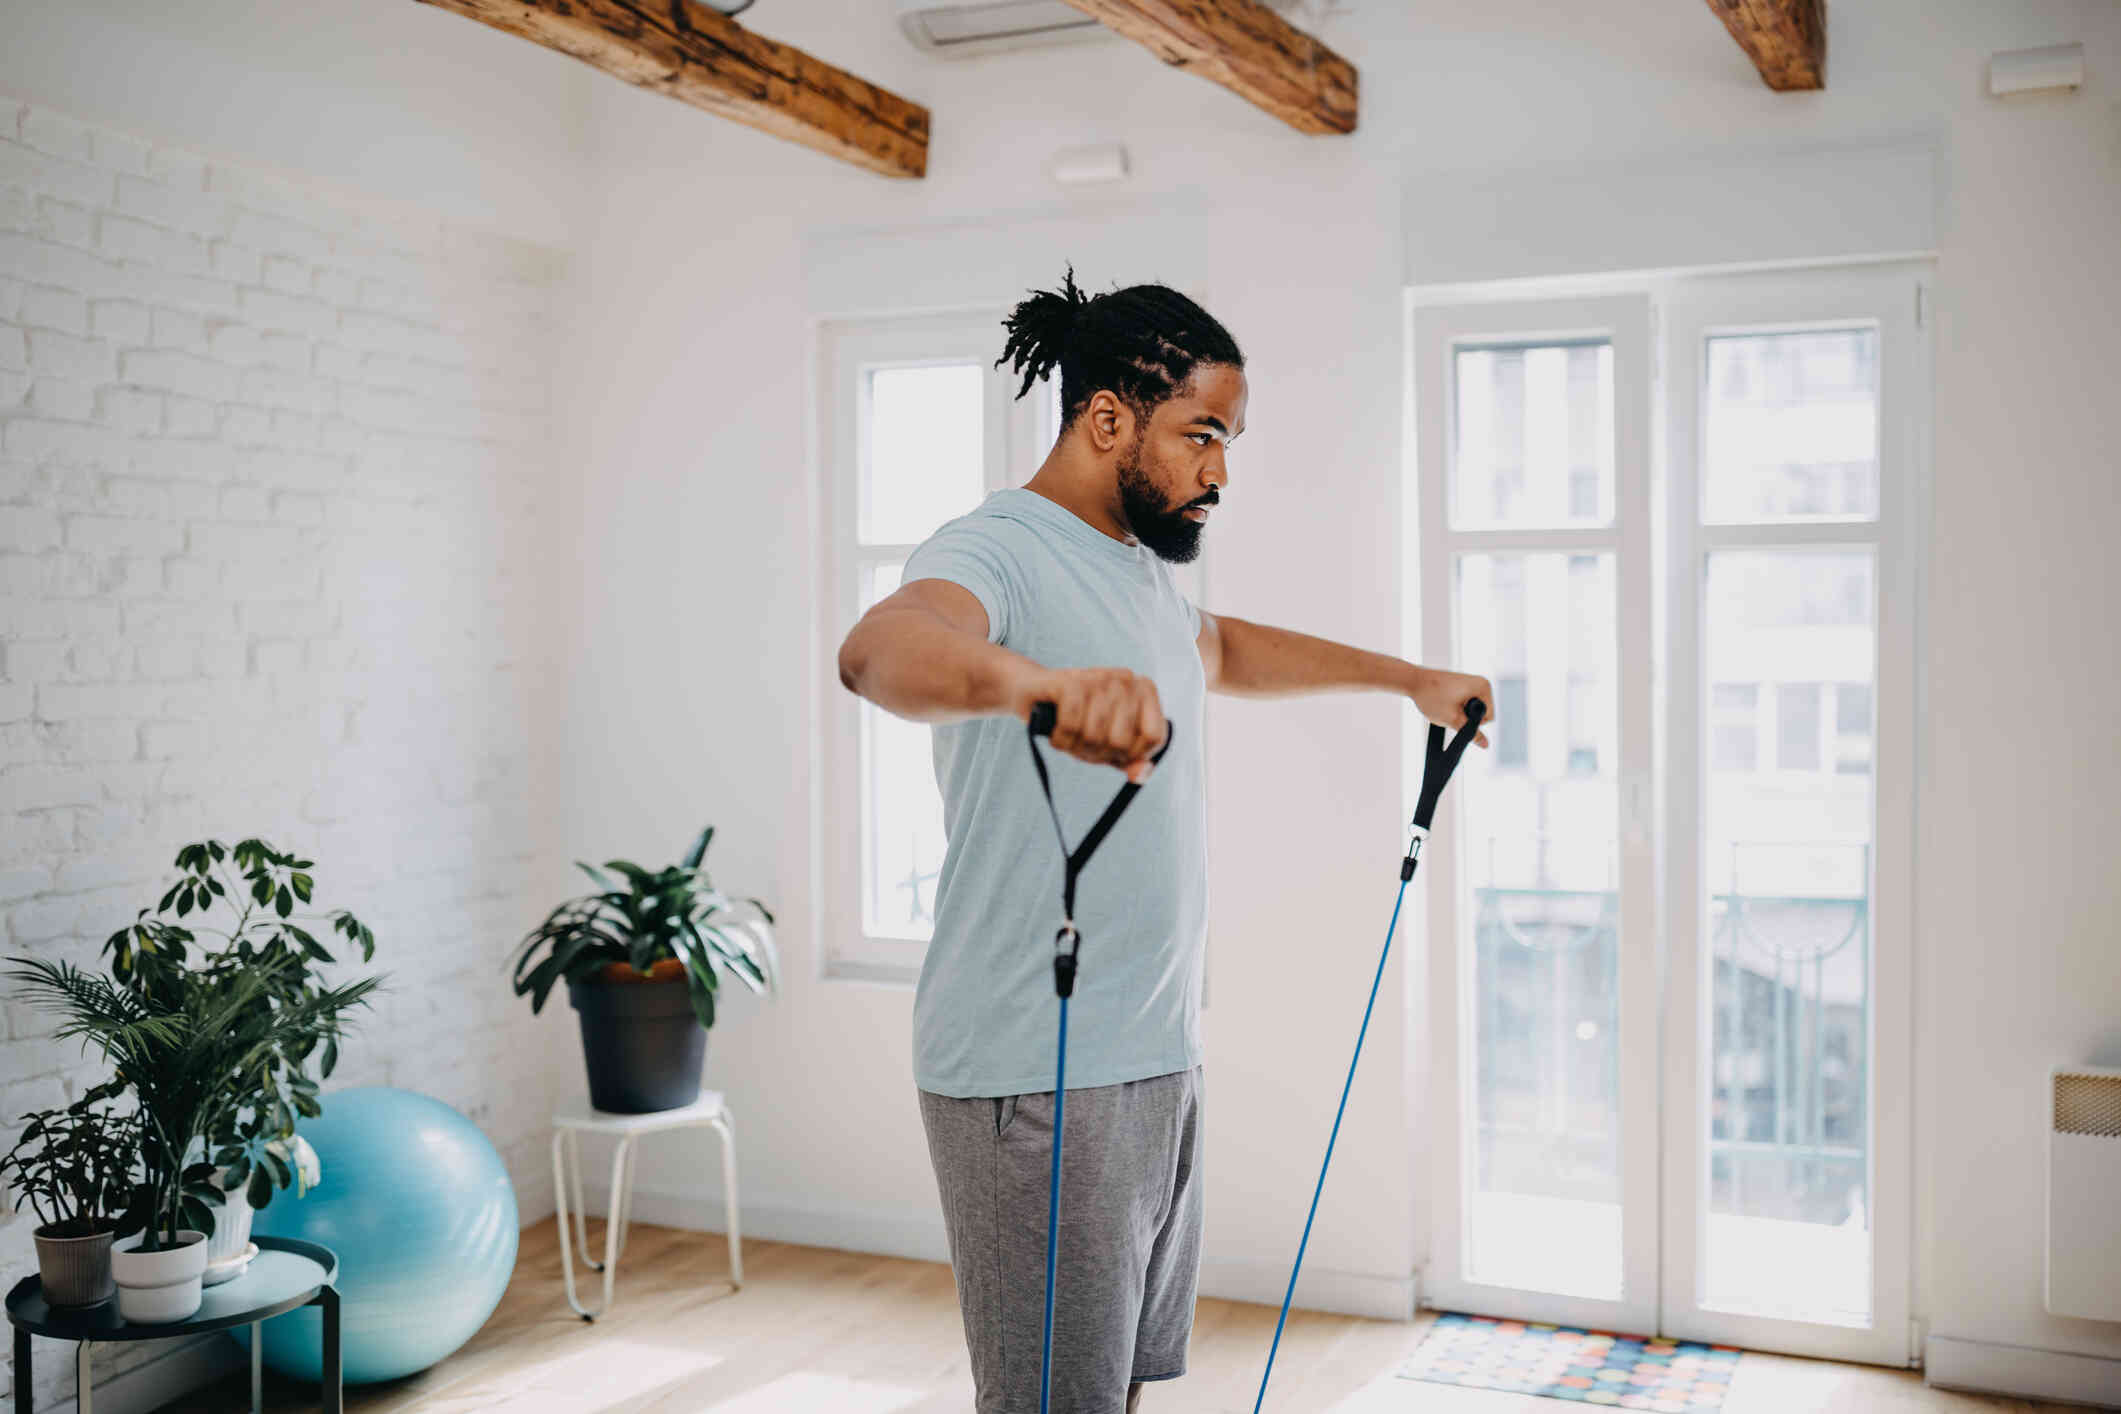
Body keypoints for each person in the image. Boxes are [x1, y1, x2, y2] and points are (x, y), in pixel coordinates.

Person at [835, 266, 1492, 1413]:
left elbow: (1221, 650)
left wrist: (1408, 682)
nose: (1219, 471)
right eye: (1202, 434)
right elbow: (882, 648)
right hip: (1033, 1076)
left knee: (1122, 1389)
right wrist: (1037, 685)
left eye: (1227, 441)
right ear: (1106, 419)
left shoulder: (1133, 566)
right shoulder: (994, 547)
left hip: (1153, 1059)